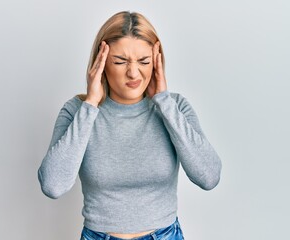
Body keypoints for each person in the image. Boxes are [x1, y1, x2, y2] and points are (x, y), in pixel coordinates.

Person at [37, 11, 222, 240]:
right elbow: (53, 185)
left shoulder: (176, 107)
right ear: (101, 63)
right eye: (120, 61)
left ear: (156, 62)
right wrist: (91, 104)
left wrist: (163, 101)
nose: (133, 72)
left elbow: (209, 177)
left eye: (143, 61)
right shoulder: (77, 111)